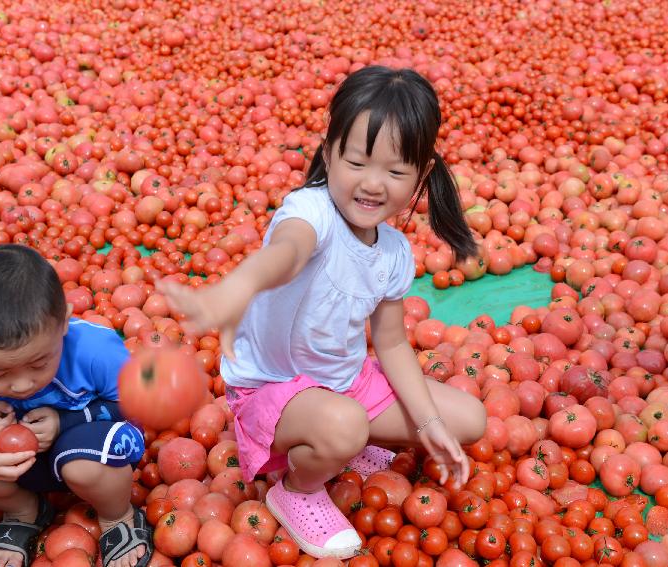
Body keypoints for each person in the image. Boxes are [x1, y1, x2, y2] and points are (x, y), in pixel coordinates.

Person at [158, 66, 487, 559]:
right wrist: (239, 285)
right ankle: (296, 489)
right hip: (272, 389)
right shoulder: (310, 213)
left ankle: (344, 434)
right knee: (345, 423)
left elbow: (393, 343)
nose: (373, 185)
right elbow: (287, 252)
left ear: (422, 175)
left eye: (396, 172)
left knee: (469, 418)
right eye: (357, 162)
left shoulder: (394, 251)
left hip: (344, 382)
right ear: (329, 152)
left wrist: (427, 425)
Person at [0, 245, 150, 567]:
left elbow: (136, 404)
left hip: (90, 449)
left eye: (39, 362)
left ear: (63, 322)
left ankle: (117, 515)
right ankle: (23, 509)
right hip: (10, 466)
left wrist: (67, 421)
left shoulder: (95, 350)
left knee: (89, 460)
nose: (23, 385)